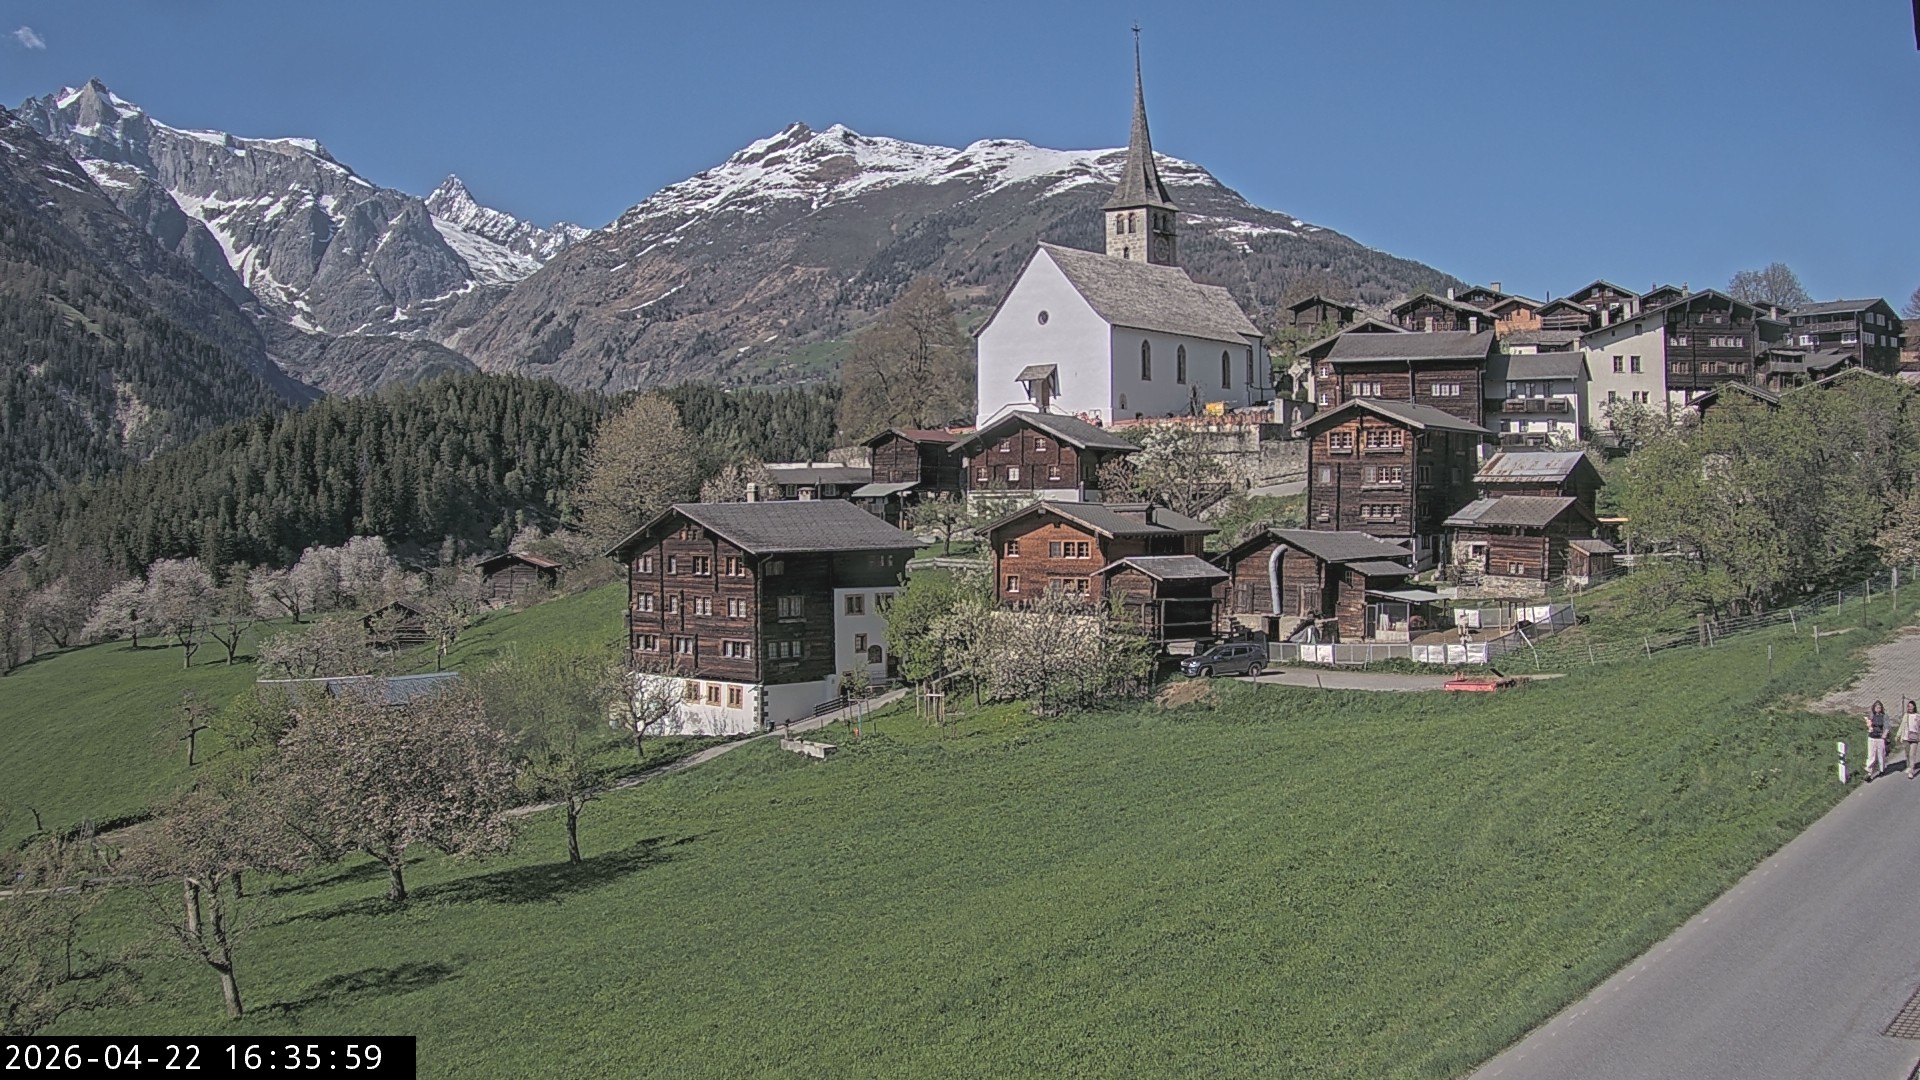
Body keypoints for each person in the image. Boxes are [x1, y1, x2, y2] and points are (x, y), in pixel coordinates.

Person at [1865, 701, 1890, 781]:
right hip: (1872, 737)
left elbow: (1886, 727)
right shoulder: (1872, 716)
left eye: (1879, 708)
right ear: (1874, 708)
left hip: (1880, 738)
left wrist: (1885, 734)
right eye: (1876, 707)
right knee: (1871, 755)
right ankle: (1869, 772)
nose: (1878, 709)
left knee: (1881, 754)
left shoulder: (1884, 716)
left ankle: (1882, 769)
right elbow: (1869, 725)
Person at [1903, 701, 1920, 779]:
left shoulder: (1917, 716)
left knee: (1912, 755)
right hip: (1906, 737)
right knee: (1907, 754)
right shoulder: (1906, 716)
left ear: (1914, 707)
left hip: (1914, 738)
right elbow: (1902, 726)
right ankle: (1909, 766)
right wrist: (1899, 735)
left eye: (1911, 706)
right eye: (1908, 706)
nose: (1909, 708)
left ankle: (1911, 771)